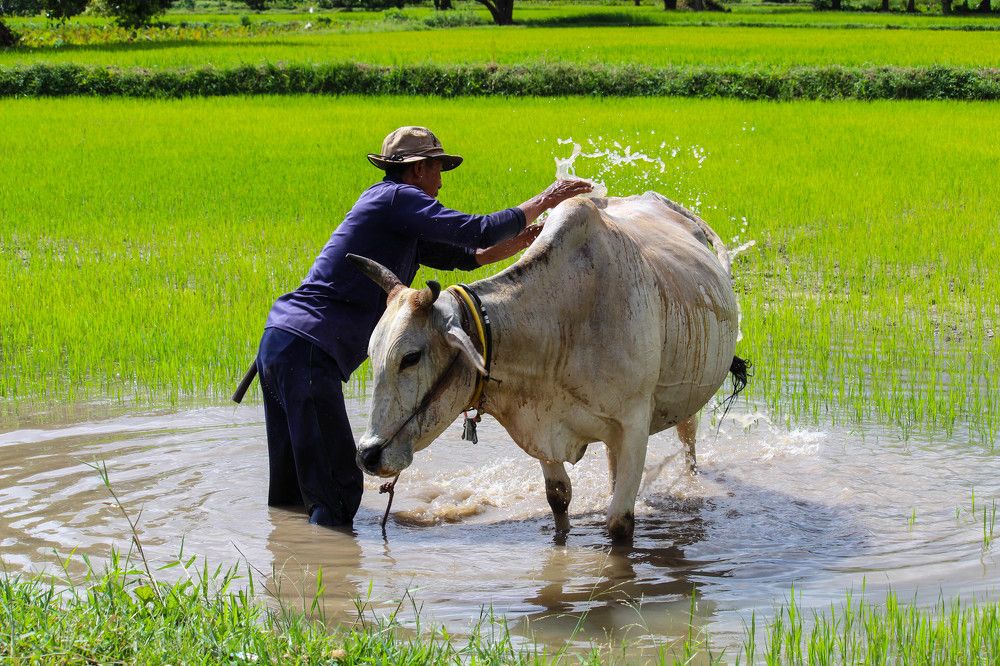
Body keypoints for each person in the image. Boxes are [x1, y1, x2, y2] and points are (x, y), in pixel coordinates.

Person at [257, 126, 592, 528]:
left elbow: (474, 254)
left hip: (282, 343)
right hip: (309, 349)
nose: (440, 180)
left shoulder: (395, 219)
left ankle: (290, 569)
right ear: (417, 170)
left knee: (293, 490)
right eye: (438, 168)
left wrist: (529, 240)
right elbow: (479, 229)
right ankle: (336, 584)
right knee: (336, 487)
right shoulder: (398, 198)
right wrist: (549, 198)